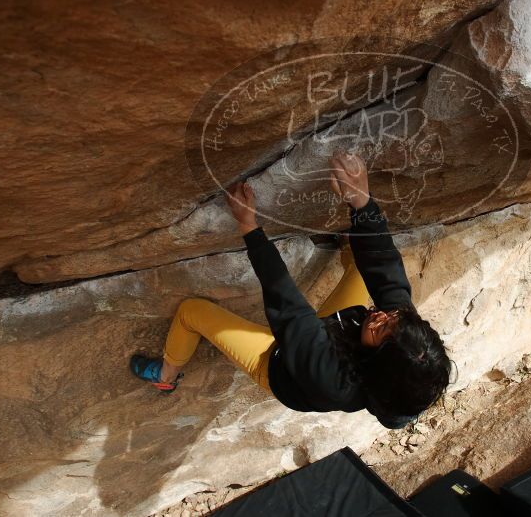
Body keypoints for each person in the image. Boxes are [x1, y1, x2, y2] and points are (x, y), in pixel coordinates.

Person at [130, 152, 453, 428]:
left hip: (278, 361)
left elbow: (288, 305)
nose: (381, 316)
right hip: (335, 332)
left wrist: (249, 226)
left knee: (191, 312)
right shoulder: (400, 333)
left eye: (382, 329)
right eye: (393, 317)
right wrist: (360, 201)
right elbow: (384, 267)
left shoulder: (332, 380)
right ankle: (346, 245)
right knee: (362, 265)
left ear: (375, 365)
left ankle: (166, 375)